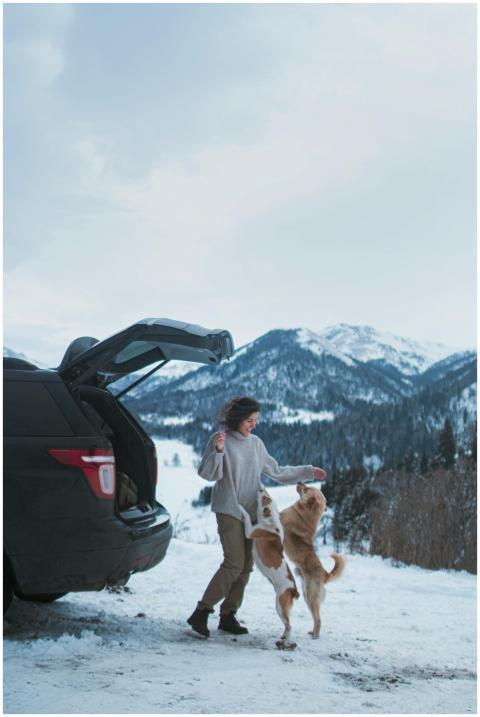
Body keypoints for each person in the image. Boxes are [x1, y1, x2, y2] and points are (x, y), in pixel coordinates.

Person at [187, 396, 326, 638]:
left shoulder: (256, 444)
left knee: (246, 566)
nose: (253, 425)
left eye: (256, 421)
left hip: (253, 512)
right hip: (228, 509)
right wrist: (218, 451)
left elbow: (277, 471)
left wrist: (308, 472)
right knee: (234, 562)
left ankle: (228, 615)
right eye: (250, 420)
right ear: (238, 418)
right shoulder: (221, 439)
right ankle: (201, 611)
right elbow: (207, 474)